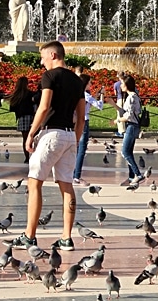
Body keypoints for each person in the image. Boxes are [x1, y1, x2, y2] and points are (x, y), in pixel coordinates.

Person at [6, 40, 84, 252]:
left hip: (51, 133)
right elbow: (82, 118)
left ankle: (29, 236)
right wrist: (75, 141)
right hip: (69, 135)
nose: (42, 63)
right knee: (67, 186)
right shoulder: (78, 82)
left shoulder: (50, 76)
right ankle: (67, 238)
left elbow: (44, 106)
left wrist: (31, 133)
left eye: (42, 58)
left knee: (34, 183)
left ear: (52, 55)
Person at [73, 74, 104, 184]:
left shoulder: (76, 93)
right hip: (84, 121)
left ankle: (72, 173)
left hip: (75, 122)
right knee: (81, 150)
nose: (91, 85)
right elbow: (100, 106)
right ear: (85, 84)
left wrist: (95, 95)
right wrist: (102, 96)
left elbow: (88, 105)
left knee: (75, 149)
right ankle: (77, 176)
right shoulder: (85, 95)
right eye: (89, 83)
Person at [118, 74, 144, 186]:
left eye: (122, 83)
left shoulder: (131, 97)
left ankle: (138, 174)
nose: (120, 86)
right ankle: (131, 176)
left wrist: (118, 120)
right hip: (133, 126)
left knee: (124, 152)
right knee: (129, 152)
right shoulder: (134, 96)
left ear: (127, 85)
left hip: (131, 126)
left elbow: (128, 115)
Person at [9, 76, 38, 163]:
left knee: (25, 139)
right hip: (31, 117)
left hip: (22, 118)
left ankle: (27, 157)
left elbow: (12, 108)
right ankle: (34, 156)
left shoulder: (16, 95)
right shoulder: (30, 94)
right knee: (34, 138)